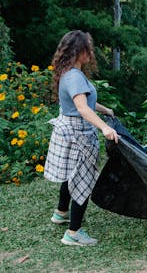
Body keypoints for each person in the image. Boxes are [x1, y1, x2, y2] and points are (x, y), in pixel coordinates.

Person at [44, 30, 119, 246]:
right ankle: (73, 233)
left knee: (71, 175)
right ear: (80, 51)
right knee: (82, 180)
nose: (92, 52)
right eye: (89, 48)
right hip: (79, 134)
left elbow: (85, 104)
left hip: (69, 131)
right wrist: (105, 128)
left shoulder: (69, 73)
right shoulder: (75, 76)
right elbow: (82, 109)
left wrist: (105, 110)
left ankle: (60, 213)